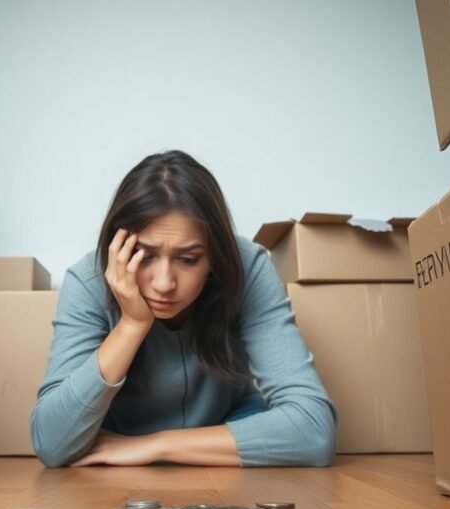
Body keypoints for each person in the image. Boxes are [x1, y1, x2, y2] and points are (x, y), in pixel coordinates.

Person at [30, 150, 336, 467]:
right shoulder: (89, 280)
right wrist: (132, 325)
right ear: (117, 245)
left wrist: (157, 445)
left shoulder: (246, 267)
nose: (164, 283)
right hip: (121, 465)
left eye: (188, 259)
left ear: (214, 256)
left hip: (220, 442)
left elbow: (314, 431)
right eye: (144, 256)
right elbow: (52, 443)